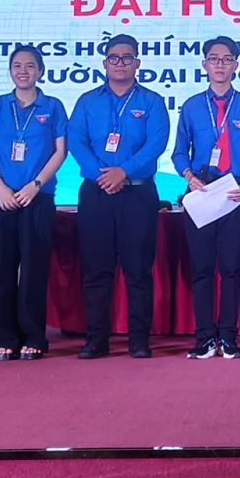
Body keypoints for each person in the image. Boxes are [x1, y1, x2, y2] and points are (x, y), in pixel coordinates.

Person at [69, 35, 171, 360]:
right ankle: (96, 340)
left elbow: (156, 143)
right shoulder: (88, 101)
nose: (120, 63)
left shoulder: (152, 101)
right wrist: (102, 175)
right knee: (96, 270)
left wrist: (123, 171)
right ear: (105, 63)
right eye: (114, 58)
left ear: (137, 63)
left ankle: (139, 341)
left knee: (138, 270)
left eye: (127, 58)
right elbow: (76, 141)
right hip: (96, 192)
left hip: (138, 193)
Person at [172, 37, 240, 359]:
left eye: (226, 59)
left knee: (231, 268)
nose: (220, 64)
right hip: (201, 191)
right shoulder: (192, 106)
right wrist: (188, 176)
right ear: (204, 65)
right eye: (214, 59)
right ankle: (204, 338)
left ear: (236, 65)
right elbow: (179, 151)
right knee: (201, 268)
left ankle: (228, 337)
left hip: (234, 192)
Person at [0, 45, 68, 361]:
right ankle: (4, 335)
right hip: (0, 196)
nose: (23, 71)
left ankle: (33, 336)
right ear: (10, 71)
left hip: (37, 197)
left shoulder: (53, 106)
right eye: (17, 65)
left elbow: (60, 151)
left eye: (30, 66)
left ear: (40, 71)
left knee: (33, 268)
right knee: (0, 267)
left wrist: (36, 185)